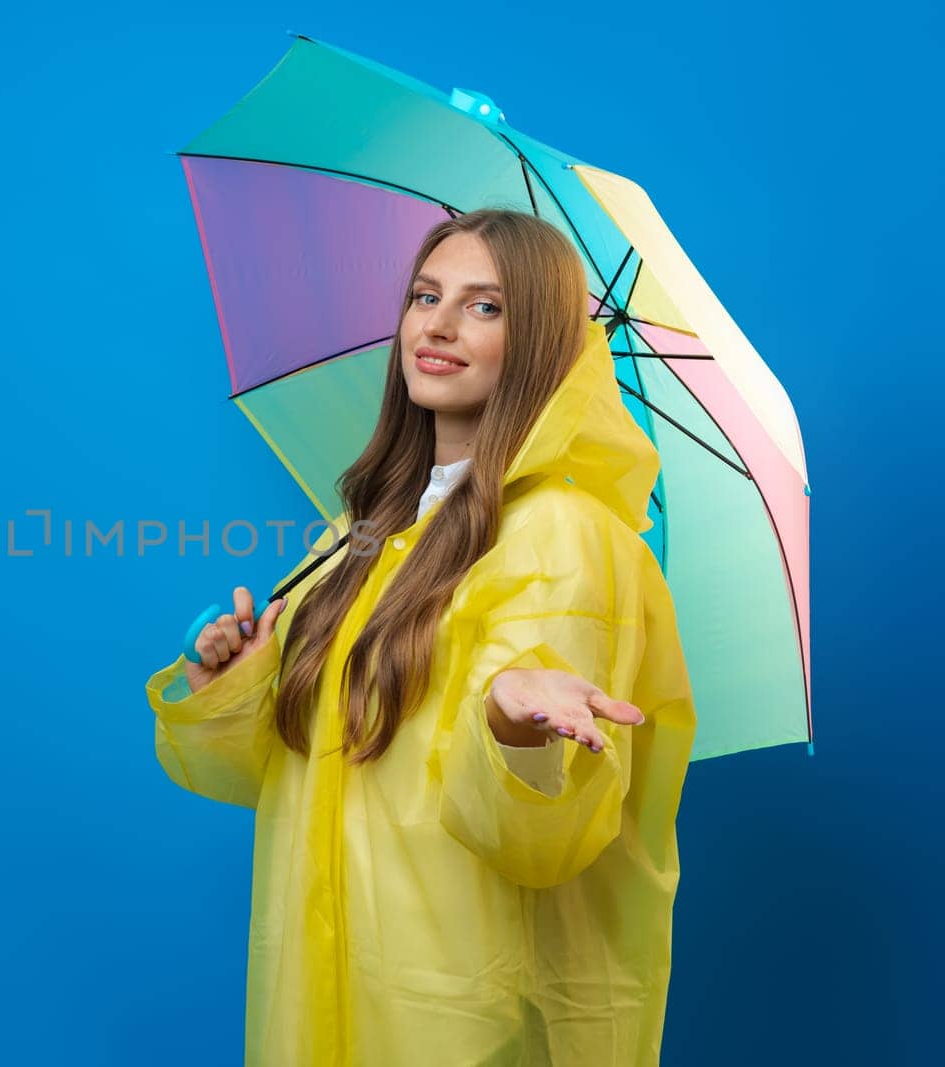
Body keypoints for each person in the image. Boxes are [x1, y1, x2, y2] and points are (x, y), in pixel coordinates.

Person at [145, 208, 697, 1066]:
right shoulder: (361, 531)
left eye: (486, 307)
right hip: (324, 976)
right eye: (425, 294)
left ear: (546, 342)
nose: (436, 326)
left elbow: (543, 843)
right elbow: (293, 768)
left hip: (456, 1009)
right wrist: (251, 672)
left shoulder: (563, 537)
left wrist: (513, 728)